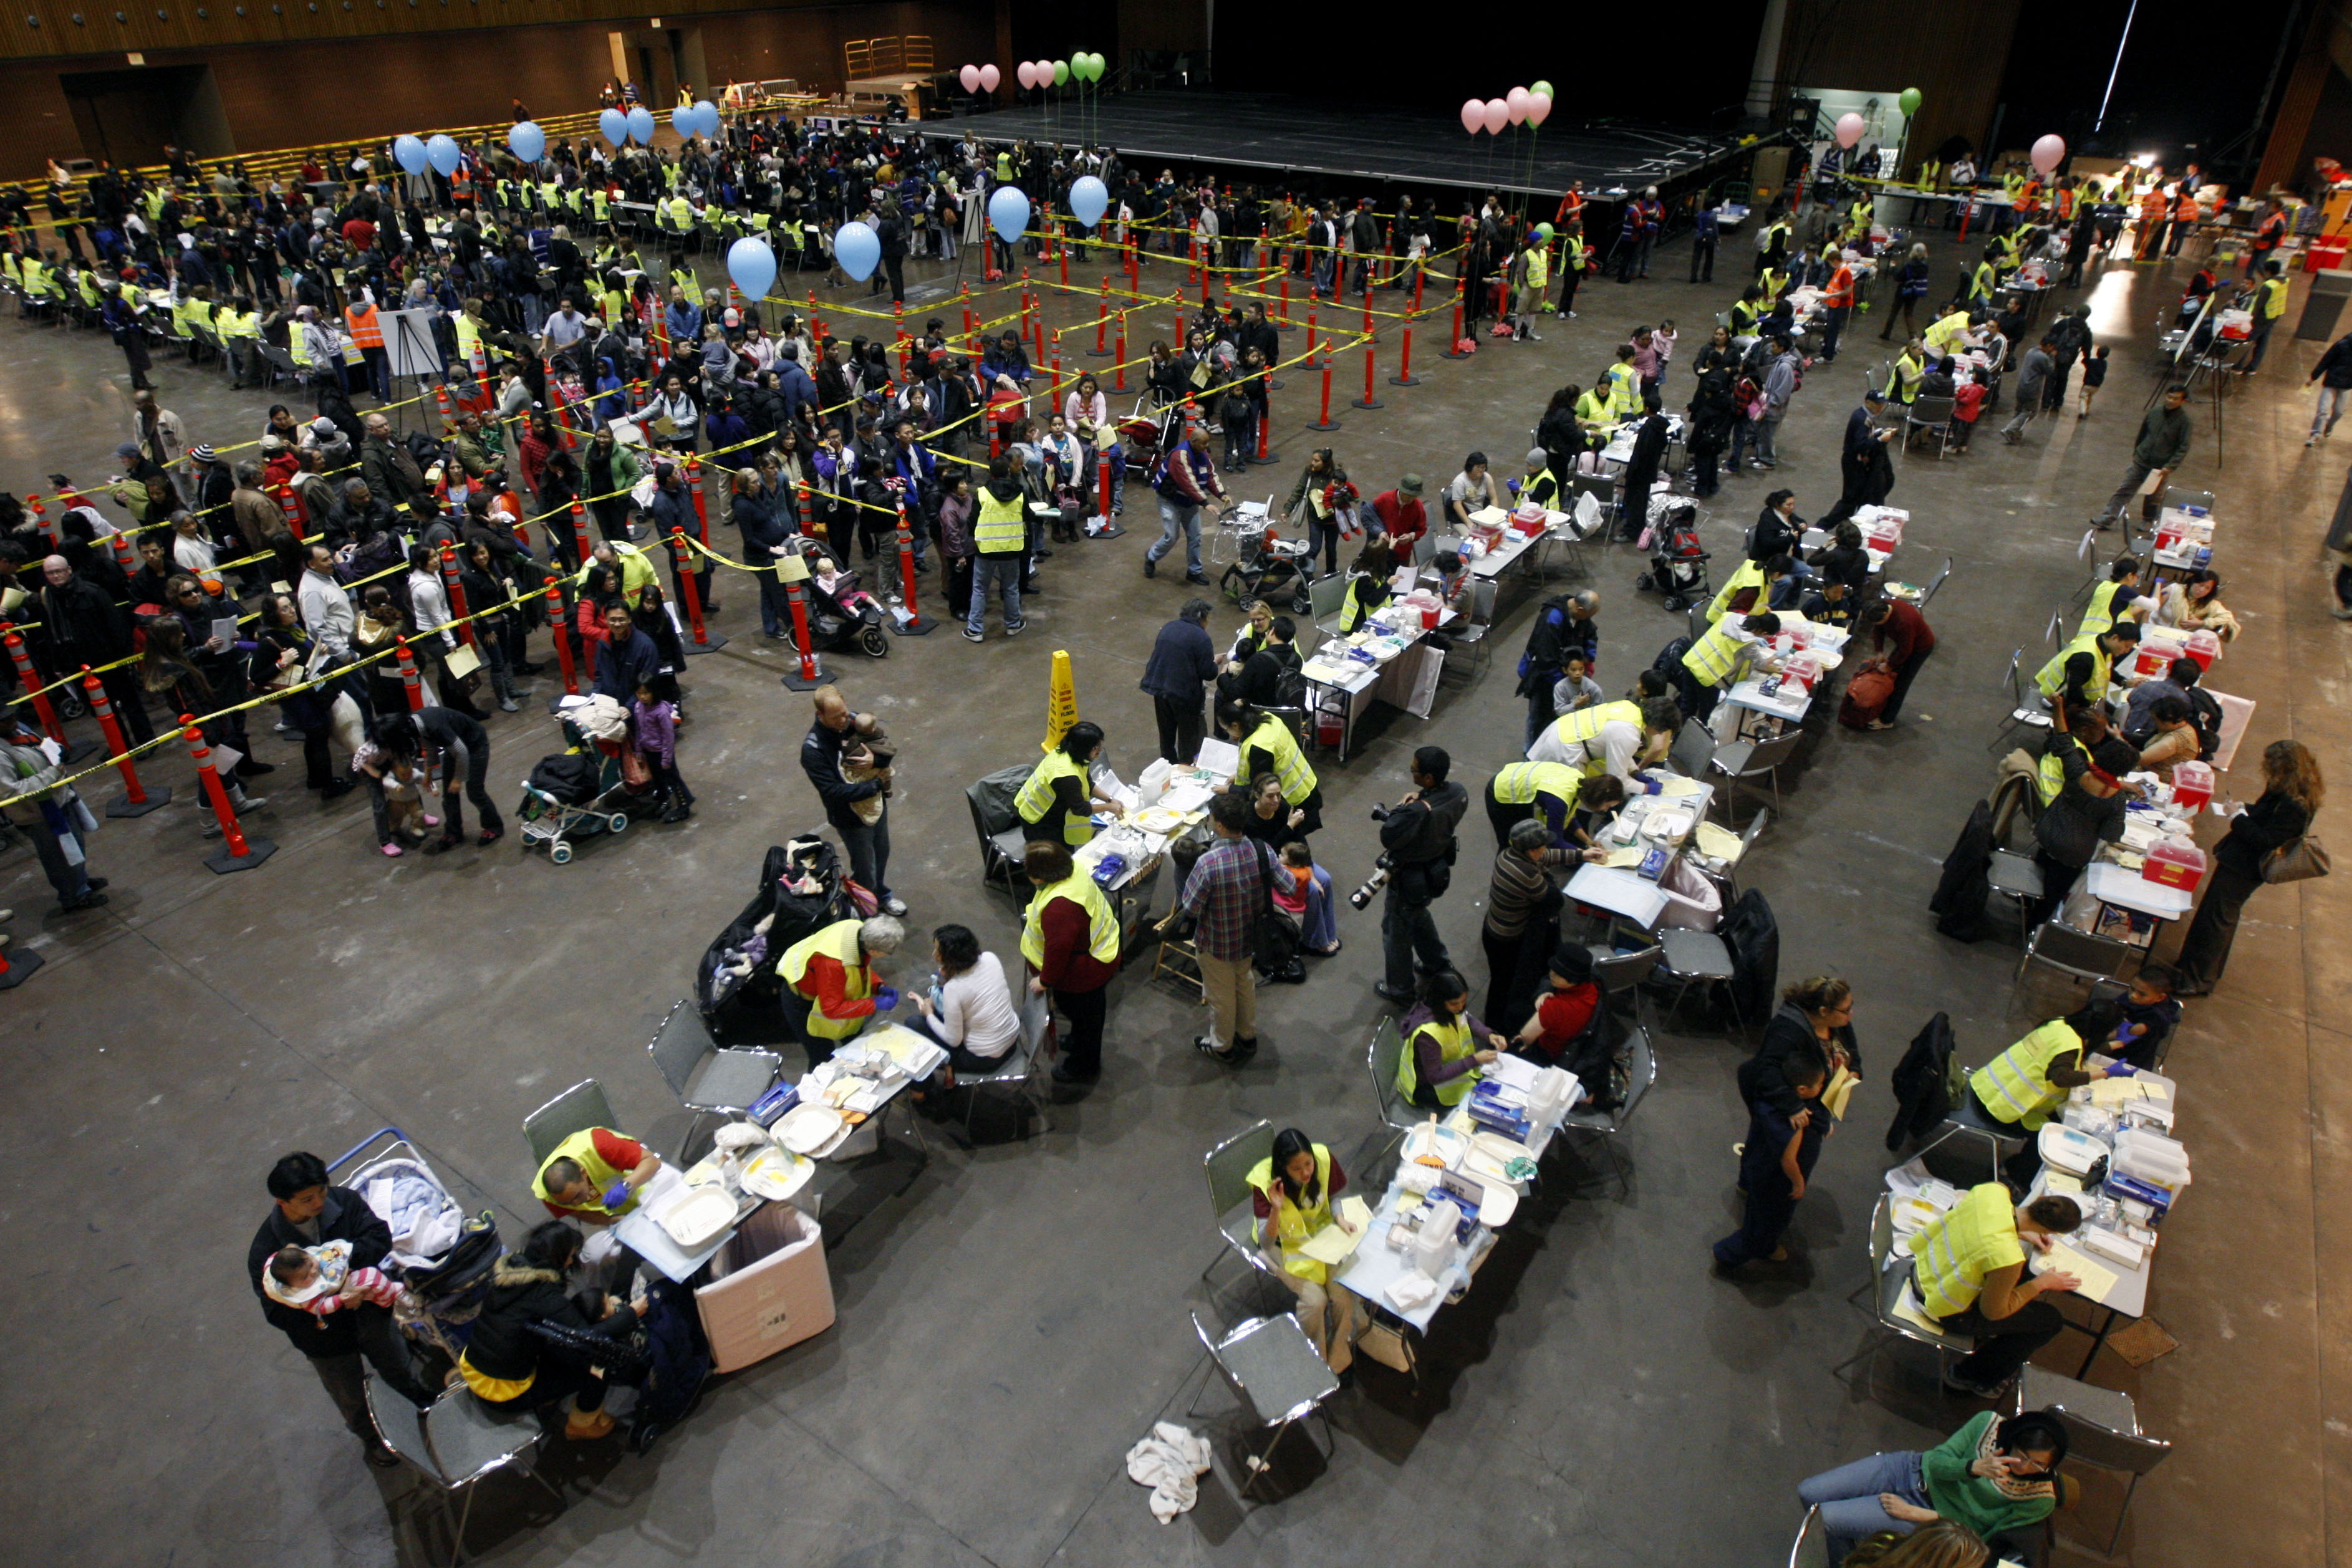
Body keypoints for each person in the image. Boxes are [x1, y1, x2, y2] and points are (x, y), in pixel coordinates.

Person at [245, 1151, 430, 1468]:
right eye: (306, 1199)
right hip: (326, 1339)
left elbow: (377, 1238)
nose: (319, 1203)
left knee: (396, 1361)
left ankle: (415, 1399)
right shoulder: (267, 1253)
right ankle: (373, 1439)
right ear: (282, 1203)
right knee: (349, 1392)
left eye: (322, 1191)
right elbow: (276, 1313)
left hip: (370, 1313)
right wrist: (329, 1302)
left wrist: (340, 1271)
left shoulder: (343, 1203)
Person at [458, 1221, 645, 1441]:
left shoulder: (510, 1274)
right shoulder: (542, 1295)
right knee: (598, 1363)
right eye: (572, 1254)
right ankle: (581, 1425)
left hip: (478, 1367)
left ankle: (550, 1394)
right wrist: (631, 1314)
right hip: (504, 1393)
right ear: (561, 1255)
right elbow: (590, 1338)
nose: (572, 1260)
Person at [1798, 1411, 2067, 1561]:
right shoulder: (1987, 1424)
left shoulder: (2040, 1499)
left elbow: (1982, 1540)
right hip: (1910, 1469)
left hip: (1928, 1517)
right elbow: (1937, 1460)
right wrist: (1971, 1468)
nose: (2024, 1466)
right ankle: (1864, 1549)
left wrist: (1921, 1516)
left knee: (1829, 1520)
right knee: (1809, 1493)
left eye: (2038, 1465)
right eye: (2021, 1455)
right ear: (2013, 1440)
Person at [2175, 738, 2324, 994]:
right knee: (2215, 916)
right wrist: (2246, 809)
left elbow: (2265, 840)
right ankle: (2195, 968)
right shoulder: (2287, 789)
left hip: (2247, 867)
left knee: (2217, 919)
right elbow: (2268, 816)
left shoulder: (2295, 805)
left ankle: (2198, 979)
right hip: (2240, 860)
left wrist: (2237, 818)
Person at [1907, 1185, 2085, 1397]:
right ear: (2051, 1231)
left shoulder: (1993, 1192)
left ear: (2042, 1198)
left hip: (1923, 1268)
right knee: (2049, 1321)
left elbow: (1982, 1224)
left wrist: (2019, 1232)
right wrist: (2042, 1284)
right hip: (1942, 1305)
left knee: (2020, 1283)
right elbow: (1993, 1312)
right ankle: (1970, 1376)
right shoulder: (2008, 1259)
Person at [1158, 790, 1277, 1065]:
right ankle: (1247, 1035)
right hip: (1250, 938)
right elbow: (1288, 885)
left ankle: (1222, 1046)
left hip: (1216, 943)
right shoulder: (1262, 850)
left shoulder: (1208, 863)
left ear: (1220, 825)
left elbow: (1191, 908)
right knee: (1244, 983)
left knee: (1221, 997)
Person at [1970, 999, 2128, 1186]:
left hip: (1985, 1088)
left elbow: (2075, 1051)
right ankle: (2015, 1177)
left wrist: (2116, 1045)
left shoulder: (2059, 1024)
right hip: (1999, 1109)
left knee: (2056, 1121)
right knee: (2054, 1134)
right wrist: (2105, 1073)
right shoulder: (2069, 1047)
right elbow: (2062, 1077)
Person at [1248, 1128, 1360, 1373]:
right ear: (1283, 1169)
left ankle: (1339, 1356)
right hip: (1282, 1246)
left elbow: (1335, 1194)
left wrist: (1340, 1218)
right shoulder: (1264, 1183)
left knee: (1342, 1295)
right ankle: (1315, 1363)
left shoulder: (1323, 1158)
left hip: (1320, 1237)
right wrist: (1276, 1208)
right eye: (1297, 1169)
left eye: (1308, 1163)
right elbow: (1267, 1242)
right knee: (1315, 1302)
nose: (1306, 1172)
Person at [1712, 1036, 1826, 1271]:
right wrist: (1798, 1184)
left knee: (1757, 1210)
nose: (1822, 1088)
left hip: (1758, 1165)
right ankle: (1732, 1253)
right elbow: (1788, 1160)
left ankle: (1759, 1241)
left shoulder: (1771, 1099)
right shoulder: (1795, 1124)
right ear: (1803, 1090)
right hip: (1777, 1181)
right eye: (1820, 1085)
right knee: (1768, 1222)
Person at [1374, 745, 1469, 1004]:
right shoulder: (1458, 793)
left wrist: (1411, 808)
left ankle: (1401, 990)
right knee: (1417, 915)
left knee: (1396, 932)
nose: (1411, 773)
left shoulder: (1414, 814)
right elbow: (1437, 802)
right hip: (1435, 872)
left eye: (1414, 771)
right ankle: (1437, 963)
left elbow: (1389, 835)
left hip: (1408, 878)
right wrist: (1423, 796)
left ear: (1429, 777)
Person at [801, 686, 906, 915]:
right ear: (820, 715)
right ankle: (867, 911)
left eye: (844, 711)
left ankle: (880, 896)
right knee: (865, 867)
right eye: (835, 716)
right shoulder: (813, 750)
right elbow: (833, 791)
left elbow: (885, 746)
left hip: (875, 806)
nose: (843, 720)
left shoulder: (854, 722)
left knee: (882, 852)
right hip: (850, 818)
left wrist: (874, 760)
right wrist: (875, 785)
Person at [1480, 815, 1586, 1033]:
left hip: (1495, 927)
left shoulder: (1510, 854)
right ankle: (1496, 1027)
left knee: (1501, 980)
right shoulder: (1525, 872)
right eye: (1541, 846)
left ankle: (1495, 1021)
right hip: (1505, 938)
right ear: (1530, 851)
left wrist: (1582, 854)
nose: (1545, 849)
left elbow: (1546, 857)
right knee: (1503, 982)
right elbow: (1555, 900)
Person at [778, 913, 907, 1066]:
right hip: (803, 1005)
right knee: (823, 1060)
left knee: (856, 1043)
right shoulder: (833, 963)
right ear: (874, 951)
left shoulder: (855, 930)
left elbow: (857, 969)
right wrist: (874, 1004)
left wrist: (878, 986)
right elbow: (832, 1009)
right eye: (889, 952)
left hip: (822, 987)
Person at [907, 922, 1022, 1075]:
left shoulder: (954, 988)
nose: (934, 955)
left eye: (938, 951)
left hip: (983, 1059)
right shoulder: (990, 958)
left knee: (914, 1023)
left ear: (951, 957)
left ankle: (943, 1069)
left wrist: (928, 1014)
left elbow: (953, 1040)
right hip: (1012, 1041)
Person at [1396, 968, 1505, 1109]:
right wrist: (1475, 1060)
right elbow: (1435, 1076)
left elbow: (1467, 1019)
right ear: (1440, 1000)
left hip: (1451, 1070)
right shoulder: (1427, 1035)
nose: (1460, 1007)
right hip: (1427, 1087)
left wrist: (1489, 1035)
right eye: (1455, 1003)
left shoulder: (1447, 1009)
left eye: (1464, 1001)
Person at [2091, 384, 2191, 531]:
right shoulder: (2155, 412)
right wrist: (2138, 451)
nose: (2171, 401)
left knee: (2153, 496)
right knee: (2125, 489)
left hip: (2160, 468)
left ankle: (2149, 520)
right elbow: (2143, 434)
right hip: (2141, 461)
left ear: (2183, 401)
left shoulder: (2184, 422)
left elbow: (2183, 446)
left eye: (2176, 399)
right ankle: (2107, 517)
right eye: (2169, 397)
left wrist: (2170, 466)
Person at [1513, 587, 1601, 748]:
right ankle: (1532, 753)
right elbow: (1546, 659)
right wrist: (1565, 685)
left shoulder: (1580, 616)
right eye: (1588, 616)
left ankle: (1553, 748)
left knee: (1560, 716)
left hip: (1566, 675)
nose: (1588, 620)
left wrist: (1588, 658)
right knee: (1540, 716)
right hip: (1544, 678)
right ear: (1580, 609)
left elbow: (1591, 635)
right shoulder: (1551, 619)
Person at [1142, 421, 1227, 585]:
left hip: (1189, 502)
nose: (1206, 446)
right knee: (1172, 537)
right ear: (1193, 441)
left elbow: (1209, 476)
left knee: (1195, 536)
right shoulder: (1179, 456)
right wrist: (1205, 503)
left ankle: (1194, 571)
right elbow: (1187, 482)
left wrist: (1222, 494)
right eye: (1204, 443)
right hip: (1170, 501)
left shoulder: (1203, 454)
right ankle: (1151, 557)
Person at [1220, 701, 1324, 834]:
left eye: (1226, 729)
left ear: (1235, 725)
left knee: (1286, 844)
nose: (1229, 733)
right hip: (1306, 785)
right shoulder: (1269, 719)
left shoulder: (1258, 747)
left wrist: (1229, 789)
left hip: (1291, 801)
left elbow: (1259, 789)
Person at [1016, 720, 1119, 847]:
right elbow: (1081, 809)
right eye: (1095, 747)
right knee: (1056, 860)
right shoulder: (1067, 776)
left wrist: (1110, 799)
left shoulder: (1072, 753)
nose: (1100, 750)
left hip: (1056, 813)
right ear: (1083, 749)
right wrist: (1110, 808)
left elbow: (1089, 784)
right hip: (1042, 821)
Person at [1140, 599, 1218, 764]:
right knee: (1187, 735)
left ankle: (1167, 764)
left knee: (1166, 731)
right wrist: (1214, 663)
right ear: (1202, 617)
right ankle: (1184, 767)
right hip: (1184, 695)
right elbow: (1208, 673)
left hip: (1160, 688)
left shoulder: (1168, 627)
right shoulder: (1201, 637)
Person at [966, 455, 1029, 642]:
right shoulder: (1020, 493)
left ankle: (975, 630)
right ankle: (1013, 624)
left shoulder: (981, 493)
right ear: (1008, 472)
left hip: (986, 549)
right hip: (1011, 548)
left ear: (990, 472)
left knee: (979, 589)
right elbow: (1027, 515)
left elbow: (972, 521)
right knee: (1010, 588)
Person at [1855, 597, 1937, 729]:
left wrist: (1890, 666)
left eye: (1880, 621)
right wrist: (1880, 652)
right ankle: (1883, 709)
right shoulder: (1882, 608)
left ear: (1885, 614)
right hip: (1904, 644)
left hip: (1920, 648)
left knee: (1901, 683)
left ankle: (1887, 720)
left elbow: (1906, 650)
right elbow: (1879, 629)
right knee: (1892, 676)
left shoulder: (1904, 622)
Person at [1821, 390, 1896, 526]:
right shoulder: (1862, 419)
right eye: (1877, 404)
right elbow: (1860, 445)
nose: (1880, 408)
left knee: (1860, 497)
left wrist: (1879, 433)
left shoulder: (1866, 416)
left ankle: (1852, 525)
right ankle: (1823, 526)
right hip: (1853, 463)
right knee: (1850, 500)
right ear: (1868, 403)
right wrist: (1880, 440)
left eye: (1882, 404)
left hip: (1858, 463)